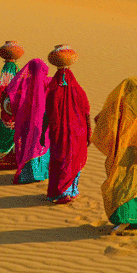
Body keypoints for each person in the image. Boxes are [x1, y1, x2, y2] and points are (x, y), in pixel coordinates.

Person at [91, 77, 137, 234]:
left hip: (124, 152)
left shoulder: (121, 104)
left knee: (124, 185)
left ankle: (126, 218)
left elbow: (102, 121)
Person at [40, 45, 91, 204]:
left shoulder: (53, 90)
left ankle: (61, 192)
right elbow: (87, 113)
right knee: (72, 159)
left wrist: (43, 133)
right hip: (78, 133)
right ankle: (71, 190)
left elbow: (47, 114)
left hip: (60, 134)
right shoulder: (78, 90)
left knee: (60, 160)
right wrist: (89, 133)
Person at [0, 58, 51, 182]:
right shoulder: (48, 82)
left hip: (26, 123)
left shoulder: (24, 83)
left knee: (29, 146)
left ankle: (28, 174)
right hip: (42, 124)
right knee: (39, 146)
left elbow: (10, 99)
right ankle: (39, 173)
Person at [0, 43, 23, 169]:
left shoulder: (7, 69)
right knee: (15, 136)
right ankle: (14, 161)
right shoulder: (18, 70)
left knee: (6, 133)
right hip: (17, 112)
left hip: (7, 112)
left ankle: (6, 161)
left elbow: (0, 91)